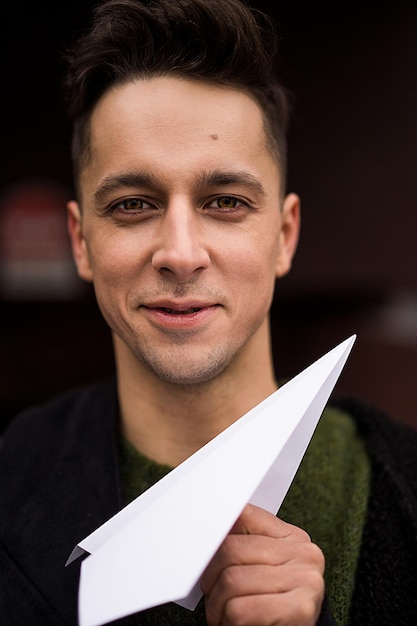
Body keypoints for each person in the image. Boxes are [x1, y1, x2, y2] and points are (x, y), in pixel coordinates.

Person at [1, 1, 417, 624]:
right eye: (133, 204)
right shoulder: (10, 482)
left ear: (285, 234)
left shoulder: (407, 486)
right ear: (81, 241)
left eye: (224, 201)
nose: (180, 253)